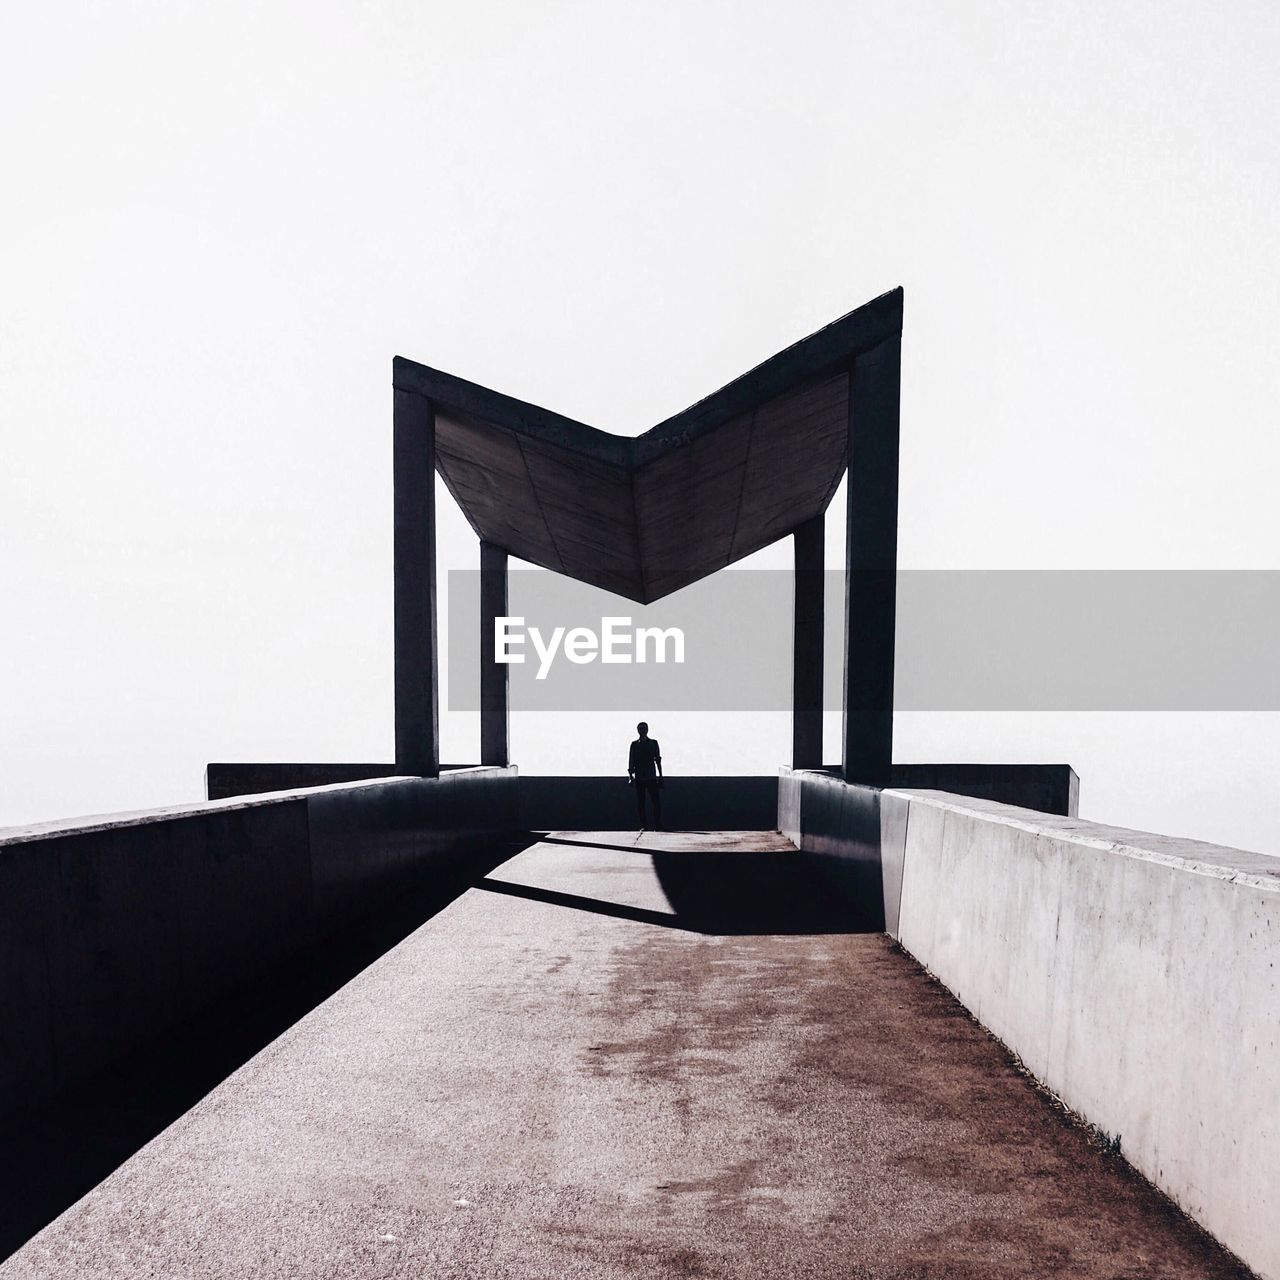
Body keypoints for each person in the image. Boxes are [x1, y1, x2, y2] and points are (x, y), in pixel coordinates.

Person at [627, 721, 663, 830]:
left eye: (644, 729)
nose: (642, 731)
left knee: (656, 802)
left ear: (647, 730)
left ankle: (657, 824)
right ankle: (644, 825)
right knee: (641, 803)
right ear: (638, 730)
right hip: (640, 777)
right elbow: (631, 761)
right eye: (641, 729)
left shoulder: (653, 743)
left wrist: (661, 776)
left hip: (651, 776)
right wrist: (631, 777)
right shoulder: (634, 745)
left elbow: (658, 760)